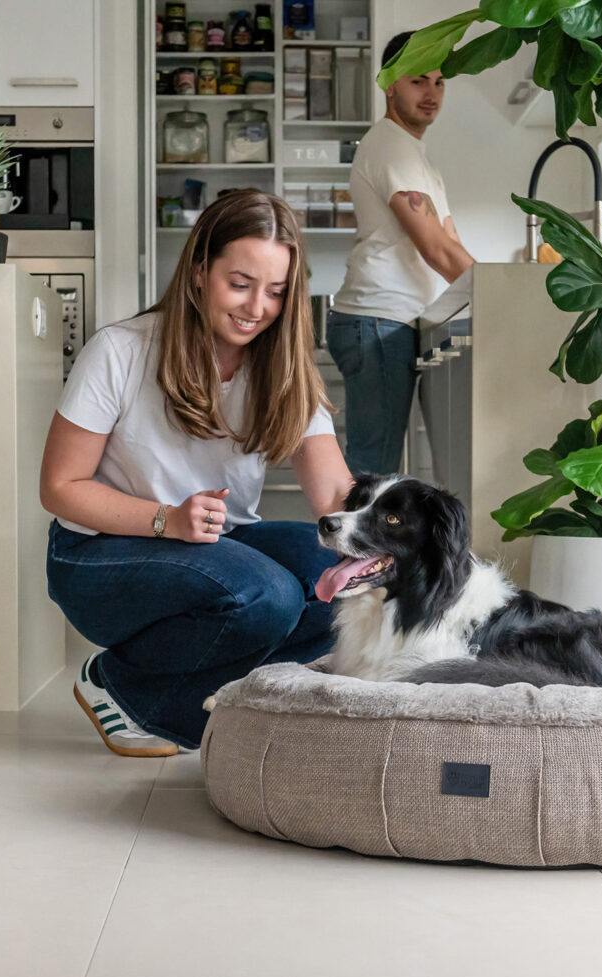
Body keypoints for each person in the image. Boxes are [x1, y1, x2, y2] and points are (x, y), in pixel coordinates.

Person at [40, 189, 354, 757]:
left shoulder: (283, 368)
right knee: (268, 595)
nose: (257, 307)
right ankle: (128, 685)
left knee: (343, 583)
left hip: (212, 545)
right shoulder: (120, 350)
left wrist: (398, 548)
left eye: (276, 292)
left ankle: (166, 698)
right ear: (199, 270)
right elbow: (60, 488)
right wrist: (167, 519)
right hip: (98, 554)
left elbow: (335, 494)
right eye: (240, 283)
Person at [327, 30, 475, 476]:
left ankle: (368, 548)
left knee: (379, 470)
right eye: (417, 81)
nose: (431, 94)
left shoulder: (416, 155)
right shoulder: (391, 146)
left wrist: (487, 289)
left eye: (439, 82)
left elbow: (450, 242)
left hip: (388, 320)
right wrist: (498, 298)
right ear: (389, 83)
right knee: (372, 470)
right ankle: (348, 549)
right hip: (378, 320)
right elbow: (434, 248)